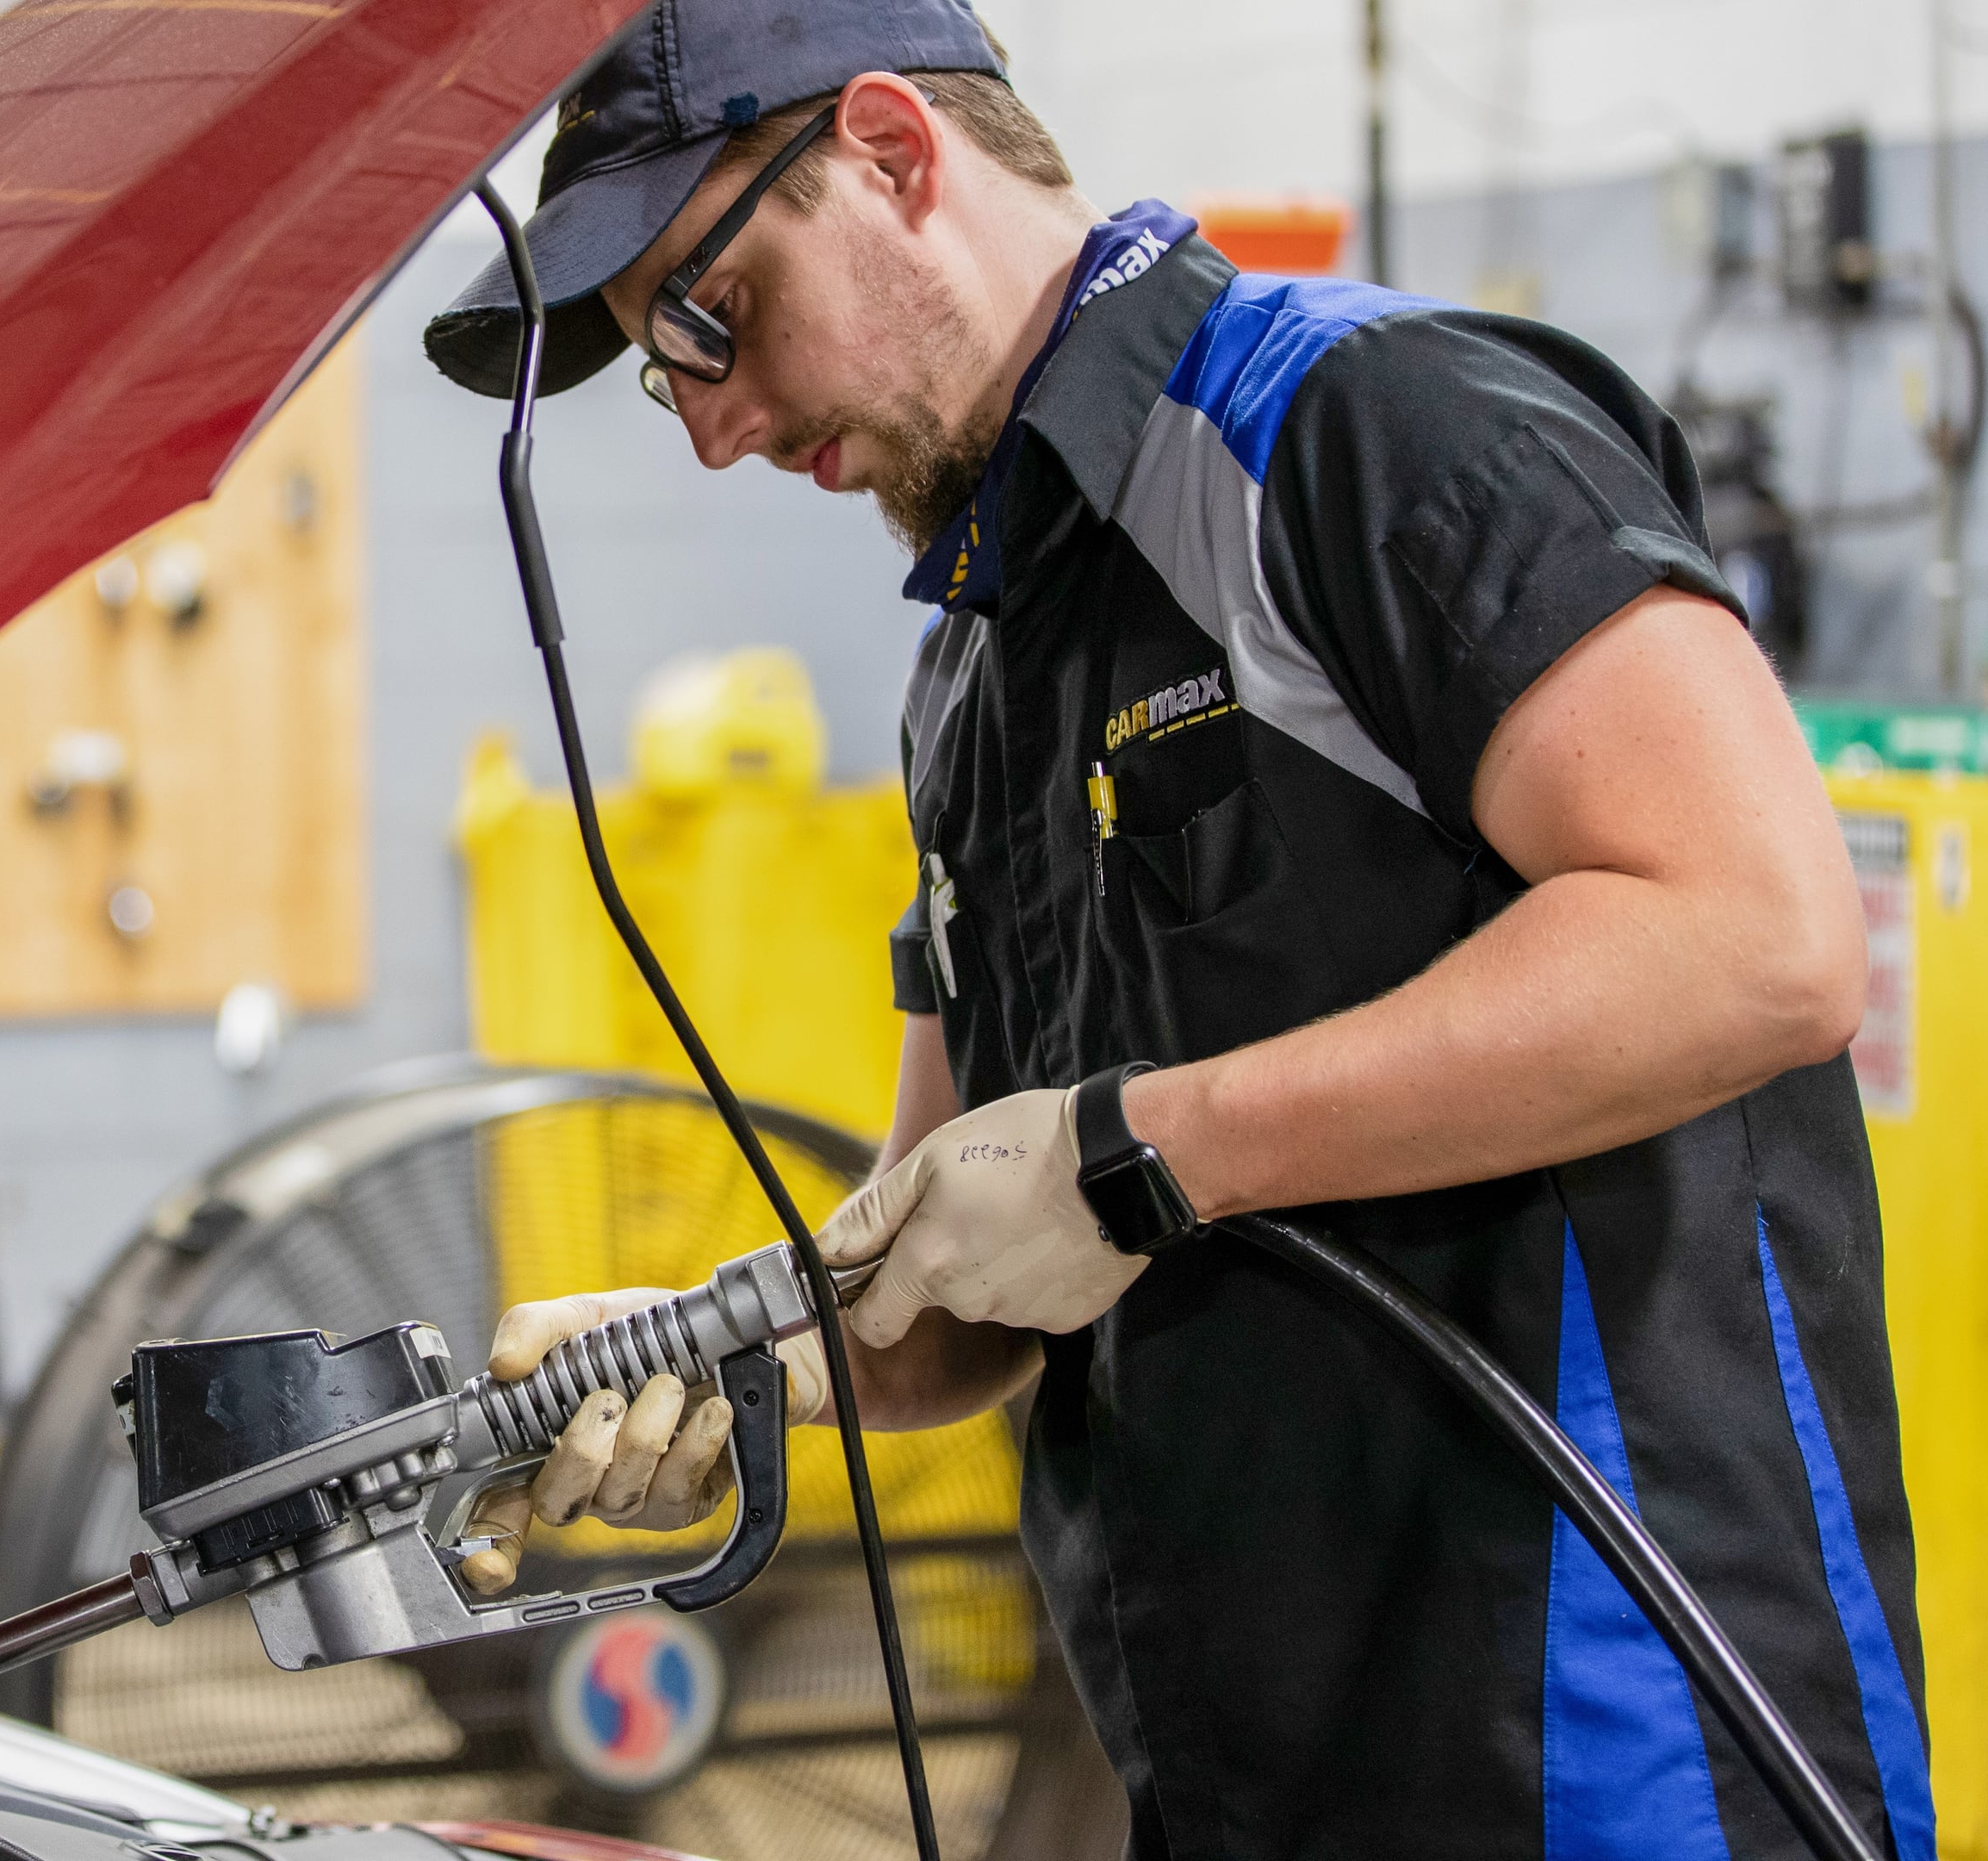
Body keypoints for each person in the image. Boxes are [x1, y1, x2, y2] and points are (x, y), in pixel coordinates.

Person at [423, 4, 1936, 1858]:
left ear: (896, 152)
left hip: (1614, 1750)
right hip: (1238, 1773)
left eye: (707, 317)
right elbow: (962, 1265)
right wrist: (737, 1353)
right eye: (671, 378)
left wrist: (1150, 1152)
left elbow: (1758, 935)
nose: (719, 426)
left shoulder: (1361, 427)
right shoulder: (967, 687)